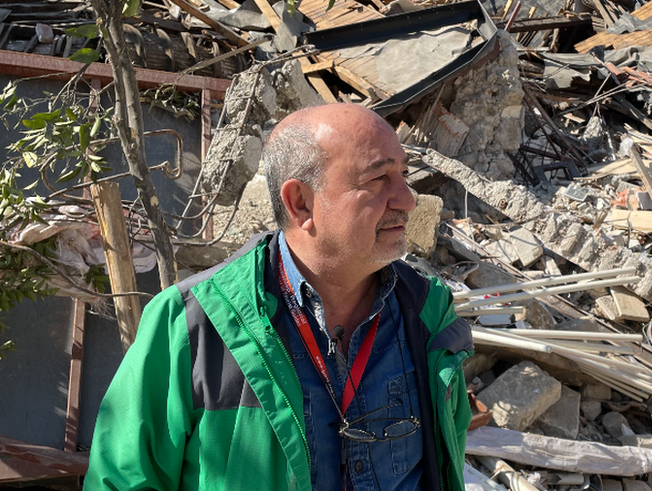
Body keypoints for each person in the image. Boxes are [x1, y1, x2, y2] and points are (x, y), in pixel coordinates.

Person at [84, 104, 473, 491]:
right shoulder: (192, 323)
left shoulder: (428, 313)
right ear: (301, 202)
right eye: (378, 178)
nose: (407, 199)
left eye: (404, 174)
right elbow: (120, 481)